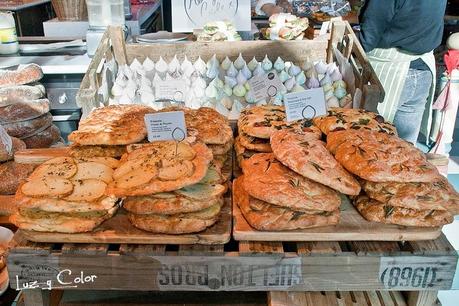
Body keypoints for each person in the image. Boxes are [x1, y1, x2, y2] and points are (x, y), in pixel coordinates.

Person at [359, 0, 447, 145]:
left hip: (392, 70)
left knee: (371, 143)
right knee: (405, 147)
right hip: (423, 69)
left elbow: (368, 38)